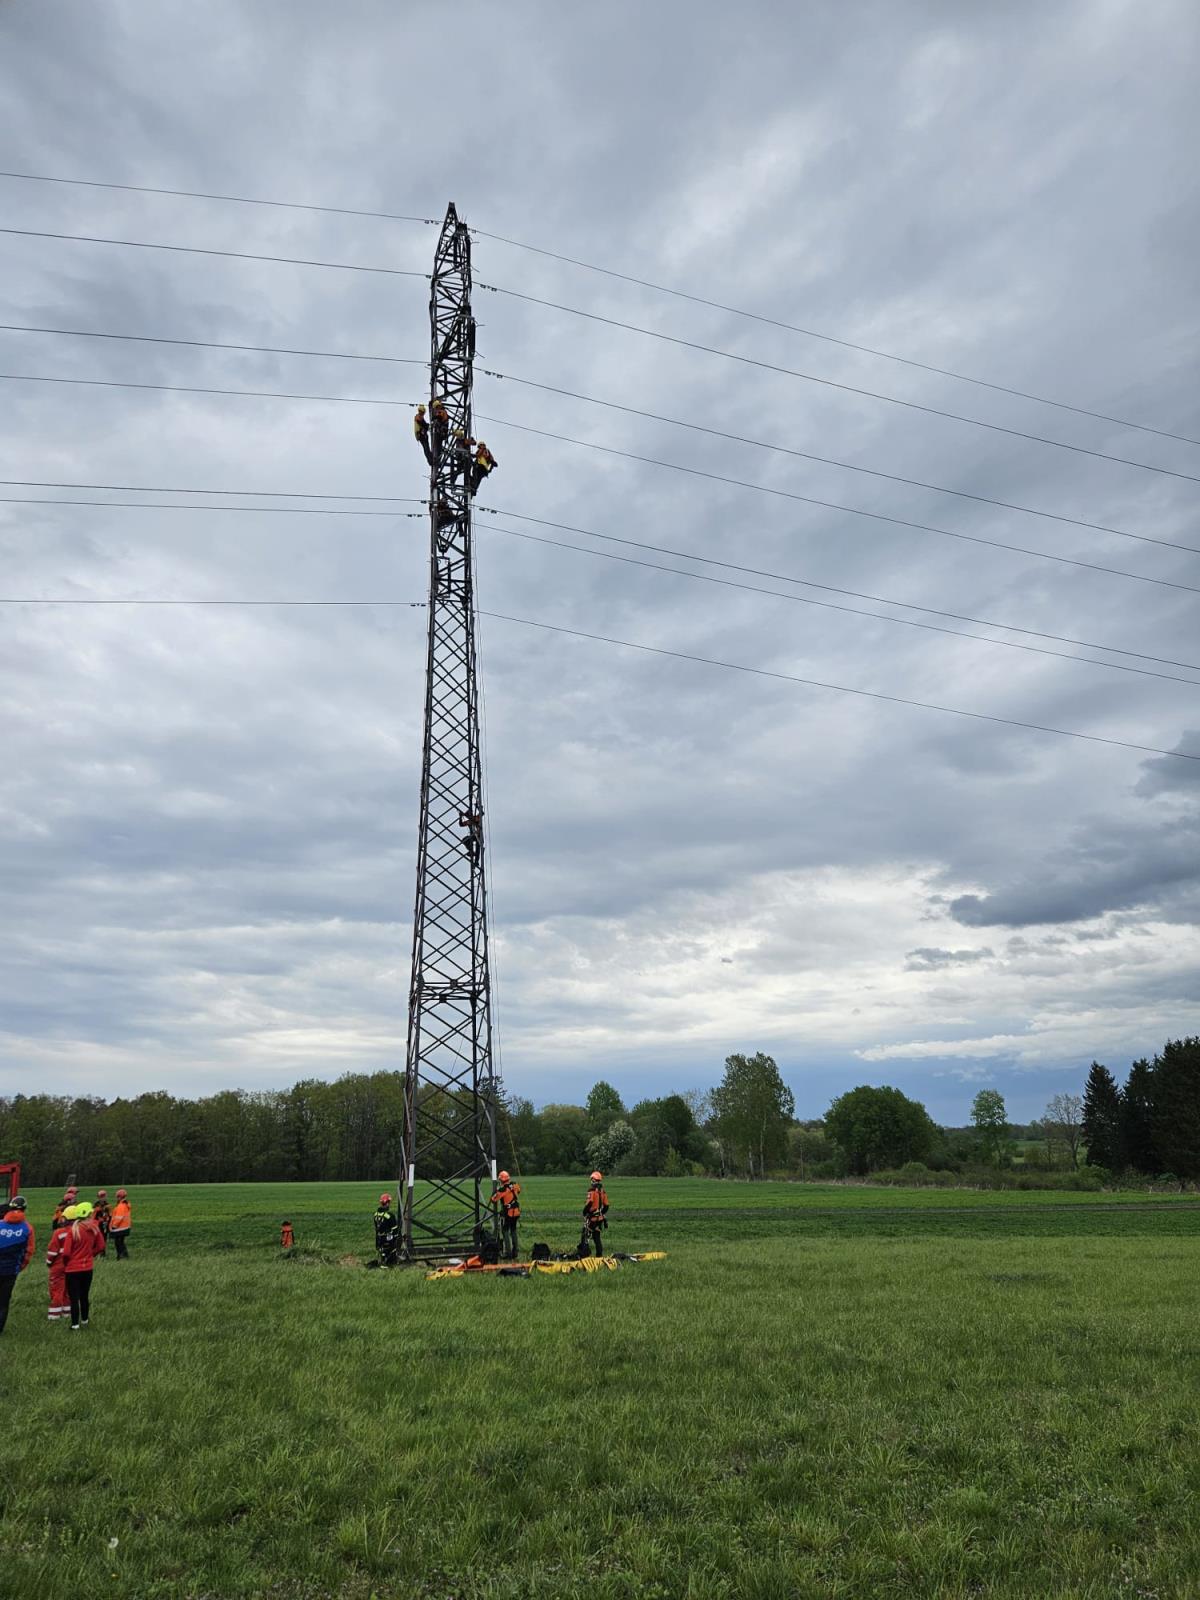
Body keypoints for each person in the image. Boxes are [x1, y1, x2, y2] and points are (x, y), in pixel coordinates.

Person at [46, 1202, 106, 1330]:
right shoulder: (94, 1228)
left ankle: (74, 1325)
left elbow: (66, 1253)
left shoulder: (73, 1230)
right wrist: (91, 1254)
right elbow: (101, 1246)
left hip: (72, 1268)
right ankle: (85, 1320)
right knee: (84, 1296)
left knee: (73, 1297)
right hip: (88, 1267)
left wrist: (68, 1262)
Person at [0, 1196, 34, 1336]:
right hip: (11, 1271)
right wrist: (19, 1267)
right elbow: (29, 1252)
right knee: (3, 1301)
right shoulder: (27, 1228)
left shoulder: (0, 1225)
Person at [490, 1171, 521, 1261]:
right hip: (516, 1211)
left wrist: (496, 1190)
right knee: (513, 1230)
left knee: (505, 1231)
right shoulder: (514, 1185)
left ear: (501, 1180)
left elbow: (493, 1199)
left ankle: (508, 1253)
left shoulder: (502, 1190)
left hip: (508, 1213)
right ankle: (515, 1252)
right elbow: (518, 1191)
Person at [582, 1171, 609, 1257]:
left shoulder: (592, 1191)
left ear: (593, 1180)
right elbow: (606, 1206)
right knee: (597, 1238)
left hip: (592, 1219)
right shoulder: (603, 1191)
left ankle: (584, 1255)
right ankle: (599, 1256)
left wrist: (584, 1212)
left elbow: (589, 1203)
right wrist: (601, 1213)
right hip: (599, 1219)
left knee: (585, 1237)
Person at [373, 1193, 399, 1267]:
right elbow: (395, 1230)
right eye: (389, 1202)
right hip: (388, 1239)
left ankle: (383, 1262)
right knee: (390, 1251)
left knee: (382, 1251)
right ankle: (387, 1264)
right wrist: (397, 1238)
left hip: (379, 1238)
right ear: (387, 1203)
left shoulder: (375, 1214)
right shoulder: (390, 1215)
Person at [109, 1189, 132, 1259]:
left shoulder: (121, 1206)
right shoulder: (125, 1204)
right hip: (125, 1227)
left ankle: (121, 1256)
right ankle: (124, 1255)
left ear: (119, 1197)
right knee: (121, 1242)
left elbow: (119, 1217)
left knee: (118, 1243)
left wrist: (114, 1226)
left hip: (120, 1228)